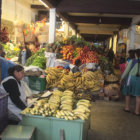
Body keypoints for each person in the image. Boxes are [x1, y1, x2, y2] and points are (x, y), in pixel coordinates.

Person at [120, 49, 140, 115]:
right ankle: (137, 111)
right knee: (138, 96)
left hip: (131, 78)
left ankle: (127, 108)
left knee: (127, 93)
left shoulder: (132, 61)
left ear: (135, 54)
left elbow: (126, 71)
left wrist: (122, 78)